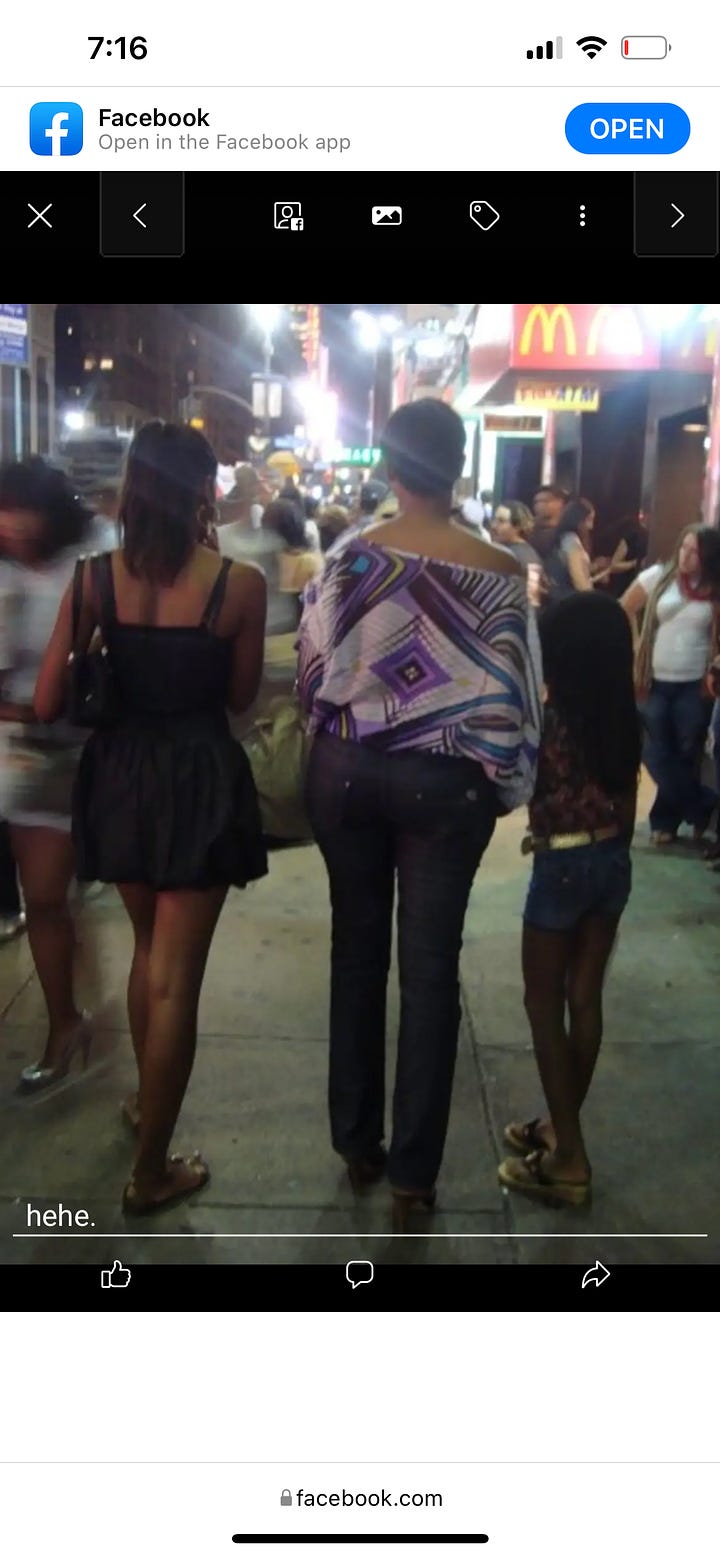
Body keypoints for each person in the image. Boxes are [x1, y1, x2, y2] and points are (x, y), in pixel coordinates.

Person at [298, 399, 542, 1231]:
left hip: (349, 775)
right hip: (447, 790)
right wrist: (503, 787)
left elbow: (311, 666)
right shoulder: (503, 571)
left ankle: (356, 1140)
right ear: (459, 466)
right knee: (431, 970)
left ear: (393, 471)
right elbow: (516, 703)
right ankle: (413, 1178)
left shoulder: (351, 556)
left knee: (356, 951)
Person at [35, 421, 268, 1215]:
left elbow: (44, 700)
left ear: (134, 488)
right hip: (198, 779)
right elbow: (239, 700)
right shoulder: (235, 584)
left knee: (146, 955)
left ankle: (147, 1110)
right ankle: (151, 1168)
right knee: (176, 982)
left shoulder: (94, 577)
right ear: (206, 489)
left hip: (120, 778)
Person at [498, 592, 641, 1207]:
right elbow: (629, 805)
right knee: (584, 999)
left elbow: (509, 785)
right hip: (612, 859)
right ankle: (561, 1129)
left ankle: (570, 1159)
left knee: (540, 1003)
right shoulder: (622, 718)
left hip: (560, 863)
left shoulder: (549, 722)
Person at [0, 458, 92, 1086]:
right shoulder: (3, 573)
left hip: (103, 744)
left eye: (20, 509)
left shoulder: (93, 560)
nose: (10, 524)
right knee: (45, 897)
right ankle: (65, 1022)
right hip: (34, 750)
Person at [621, 524, 720, 846]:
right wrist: (637, 644)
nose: (687, 557)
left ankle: (665, 820)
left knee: (685, 752)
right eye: (684, 548)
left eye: (696, 552)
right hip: (654, 680)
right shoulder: (658, 577)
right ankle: (702, 807)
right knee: (654, 751)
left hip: (693, 683)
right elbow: (624, 608)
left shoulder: (713, 589)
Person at [542, 497, 599, 602]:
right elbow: (580, 583)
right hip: (570, 605)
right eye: (589, 520)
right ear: (578, 519)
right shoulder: (572, 542)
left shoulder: (560, 539)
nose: (591, 526)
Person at [492, 501, 541, 569]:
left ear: (517, 526)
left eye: (501, 521)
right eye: (495, 519)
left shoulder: (517, 557)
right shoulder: (509, 551)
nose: (494, 526)